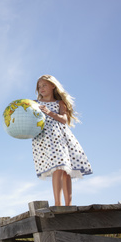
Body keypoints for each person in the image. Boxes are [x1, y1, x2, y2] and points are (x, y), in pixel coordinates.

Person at [32, 75, 92, 206]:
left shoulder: (60, 103)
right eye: (39, 86)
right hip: (45, 138)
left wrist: (49, 112)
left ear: (53, 85)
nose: (41, 88)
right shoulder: (35, 103)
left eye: (44, 85)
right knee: (57, 168)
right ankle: (58, 204)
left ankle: (68, 204)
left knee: (65, 170)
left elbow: (64, 119)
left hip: (61, 138)